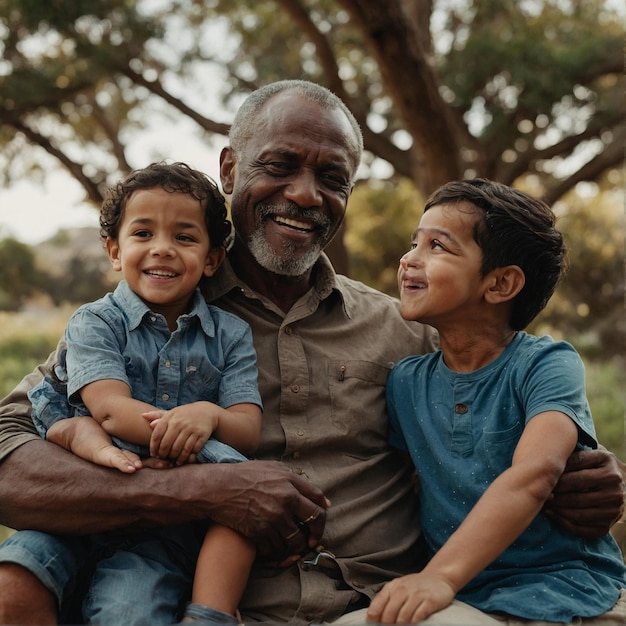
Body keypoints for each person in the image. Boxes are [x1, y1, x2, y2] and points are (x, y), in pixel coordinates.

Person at [0, 80, 623, 626]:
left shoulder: (407, 332)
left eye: (332, 179)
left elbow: (495, 434)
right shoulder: (144, 319)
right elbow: (12, 459)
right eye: (280, 166)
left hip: (384, 607)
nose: (305, 195)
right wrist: (202, 491)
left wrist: (582, 477)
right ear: (229, 169)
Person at [2, 162, 263, 625]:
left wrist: (207, 415)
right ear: (115, 250)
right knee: (15, 577)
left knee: (130, 610)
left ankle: (211, 615)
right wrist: (184, 444)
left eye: (184, 238)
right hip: (79, 505)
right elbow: (109, 411)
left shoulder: (231, 335)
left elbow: (246, 429)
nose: (162, 249)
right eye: (143, 233)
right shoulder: (96, 321)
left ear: (211, 259)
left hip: (161, 534)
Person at [367, 179, 626, 625]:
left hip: (560, 584)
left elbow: (535, 473)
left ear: (500, 283)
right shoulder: (405, 383)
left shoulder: (546, 364)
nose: (409, 258)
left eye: (437, 246)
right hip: (466, 594)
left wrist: (439, 578)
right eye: (414, 242)